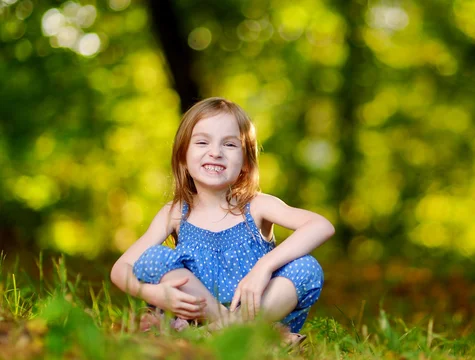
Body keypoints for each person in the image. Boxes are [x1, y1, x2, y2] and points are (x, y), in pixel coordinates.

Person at [110, 97, 334, 343]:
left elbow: (321, 226)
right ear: (183, 157)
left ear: (246, 163)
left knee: (307, 267)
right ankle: (238, 333)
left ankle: (214, 336)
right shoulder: (175, 212)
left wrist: (264, 267)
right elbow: (121, 270)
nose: (215, 152)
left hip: (260, 311)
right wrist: (155, 294)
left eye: (229, 145)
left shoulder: (257, 206)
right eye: (202, 142)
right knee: (153, 257)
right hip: (199, 313)